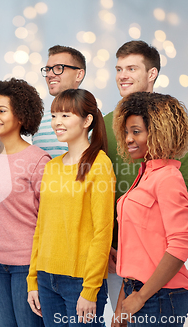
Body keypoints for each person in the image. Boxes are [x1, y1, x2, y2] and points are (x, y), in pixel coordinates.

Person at [103, 40, 188, 318]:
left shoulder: (167, 172)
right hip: (122, 262)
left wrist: (140, 296)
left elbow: (180, 237)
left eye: (131, 68)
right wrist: (106, 243)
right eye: (119, 68)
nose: (122, 75)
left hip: (156, 279)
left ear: (152, 73)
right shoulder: (142, 171)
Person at [28, 89, 115, 327]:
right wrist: (33, 280)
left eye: (66, 115)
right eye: (55, 115)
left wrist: (89, 290)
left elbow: (102, 232)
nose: (57, 122)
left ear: (87, 121)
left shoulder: (100, 165)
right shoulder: (53, 166)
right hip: (46, 279)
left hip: (80, 281)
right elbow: (41, 227)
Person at [0, 78, 50, 327]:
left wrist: (37, 273)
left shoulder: (39, 160)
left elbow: (47, 220)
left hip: (26, 266)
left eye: (1, 111)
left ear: (21, 116)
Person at [33, 45, 86, 158]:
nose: (50, 75)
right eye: (47, 69)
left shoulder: (98, 120)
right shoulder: (38, 123)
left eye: (59, 68)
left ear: (79, 74)